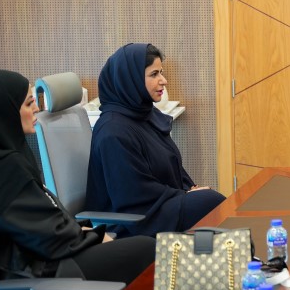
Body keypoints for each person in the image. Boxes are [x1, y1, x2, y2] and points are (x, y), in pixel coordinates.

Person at [0, 70, 155, 283]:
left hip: (52, 254)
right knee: (148, 249)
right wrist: (94, 235)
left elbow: (42, 222)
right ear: (3, 112)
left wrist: (85, 232)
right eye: (29, 103)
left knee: (144, 249)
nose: (37, 108)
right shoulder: (0, 172)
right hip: (46, 271)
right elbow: (46, 237)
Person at [86, 43, 225, 238]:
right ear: (130, 79)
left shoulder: (144, 115)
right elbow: (133, 194)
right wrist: (185, 195)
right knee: (210, 202)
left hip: (157, 204)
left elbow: (169, 166)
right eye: (154, 74)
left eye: (161, 72)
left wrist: (188, 189)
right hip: (134, 220)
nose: (164, 81)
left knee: (209, 203)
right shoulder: (113, 131)